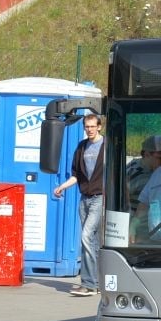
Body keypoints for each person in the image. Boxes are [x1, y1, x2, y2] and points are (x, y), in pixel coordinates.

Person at [53, 113, 105, 299]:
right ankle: (97, 283)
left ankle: (89, 284)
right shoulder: (81, 147)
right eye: (87, 126)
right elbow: (76, 175)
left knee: (86, 236)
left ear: (99, 127)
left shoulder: (107, 146)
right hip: (85, 198)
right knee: (93, 242)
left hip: (100, 198)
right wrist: (62, 187)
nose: (89, 129)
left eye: (92, 126)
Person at [126, 135, 161, 212]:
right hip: (137, 220)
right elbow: (121, 200)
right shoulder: (134, 173)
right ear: (147, 154)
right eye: (160, 157)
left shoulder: (157, 170)